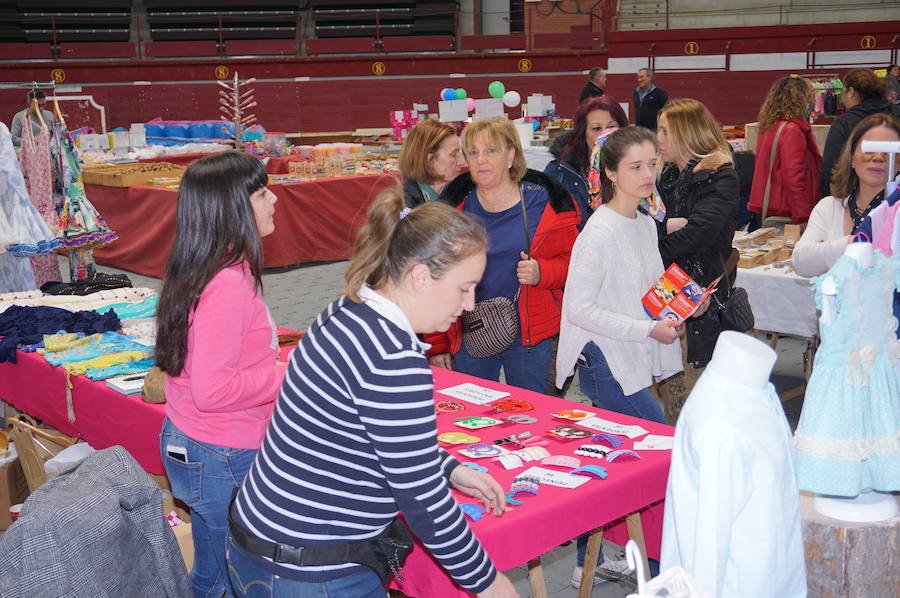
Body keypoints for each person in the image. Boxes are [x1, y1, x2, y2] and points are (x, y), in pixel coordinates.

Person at [226, 187, 520, 598]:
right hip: (312, 568)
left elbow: (373, 437)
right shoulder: (394, 358)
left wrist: (448, 467)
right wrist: (488, 582)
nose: (469, 305)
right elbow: (423, 500)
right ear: (420, 276)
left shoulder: (349, 308)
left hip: (264, 541)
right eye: (464, 288)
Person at [155, 151, 287, 598]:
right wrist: (287, 375)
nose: (274, 200)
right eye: (263, 193)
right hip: (222, 452)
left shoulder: (204, 265)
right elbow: (213, 390)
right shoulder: (228, 282)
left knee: (214, 572)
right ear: (234, 207)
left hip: (200, 442)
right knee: (233, 578)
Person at [556, 126, 683, 586]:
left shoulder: (643, 222)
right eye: (635, 166)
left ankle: (585, 561)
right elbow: (580, 309)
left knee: (610, 463)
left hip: (629, 355)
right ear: (609, 172)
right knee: (662, 451)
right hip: (606, 362)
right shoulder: (599, 231)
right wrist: (648, 328)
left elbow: (650, 290)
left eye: (652, 164)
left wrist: (681, 305)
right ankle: (658, 568)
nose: (648, 174)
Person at [427, 117, 580, 394]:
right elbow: (433, 277)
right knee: (471, 410)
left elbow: (575, 264)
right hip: (470, 330)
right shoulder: (453, 208)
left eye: (490, 150)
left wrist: (542, 272)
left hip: (528, 337)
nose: (481, 161)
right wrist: (437, 344)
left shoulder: (544, 202)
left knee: (531, 411)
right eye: (473, 152)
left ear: (510, 155)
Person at [655, 98, 740, 420]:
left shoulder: (719, 176)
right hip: (664, 294)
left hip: (703, 299)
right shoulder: (663, 177)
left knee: (701, 405)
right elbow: (637, 224)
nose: (658, 139)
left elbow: (699, 234)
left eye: (665, 131)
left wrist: (652, 246)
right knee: (672, 395)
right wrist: (661, 228)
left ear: (686, 133)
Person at [794, 113, 900, 277]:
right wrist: (856, 242)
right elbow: (801, 263)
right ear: (852, 158)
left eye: (889, 152)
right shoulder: (828, 207)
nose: (878, 157)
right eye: (869, 149)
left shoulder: (896, 213)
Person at [545, 96, 628, 230]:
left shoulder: (637, 170)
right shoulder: (558, 171)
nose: (604, 135)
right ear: (583, 133)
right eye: (596, 128)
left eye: (611, 127)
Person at [748, 75, 822, 224]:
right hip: (786, 209)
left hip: (771, 205)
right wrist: (803, 215)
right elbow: (793, 176)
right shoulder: (791, 130)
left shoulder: (770, 126)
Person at [819, 68, 900, 194]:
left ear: (851, 91)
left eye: (844, 92)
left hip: (855, 195)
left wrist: (827, 198)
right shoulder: (897, 114)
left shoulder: (844, 122)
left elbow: (830, 167)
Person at [398, 118, 465, 207]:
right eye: (453, 155)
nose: (462, 162)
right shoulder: (405, 207)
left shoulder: (460, 192)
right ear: (428, 159)